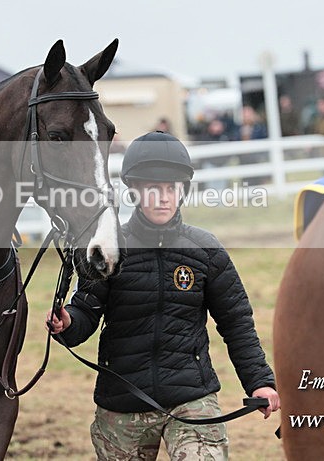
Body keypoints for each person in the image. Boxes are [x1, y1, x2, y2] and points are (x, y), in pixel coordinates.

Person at [47, 131, 280, 460]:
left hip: (192, 398)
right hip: (123, 400)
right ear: (135, 191)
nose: (162, 197)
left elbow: (237, 323)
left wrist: (260, 382)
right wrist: (67, 322)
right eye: (153, 189)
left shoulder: (206, 251)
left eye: (171, 188)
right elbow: (84, 315)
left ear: (182, 191)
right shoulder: (110, 249)